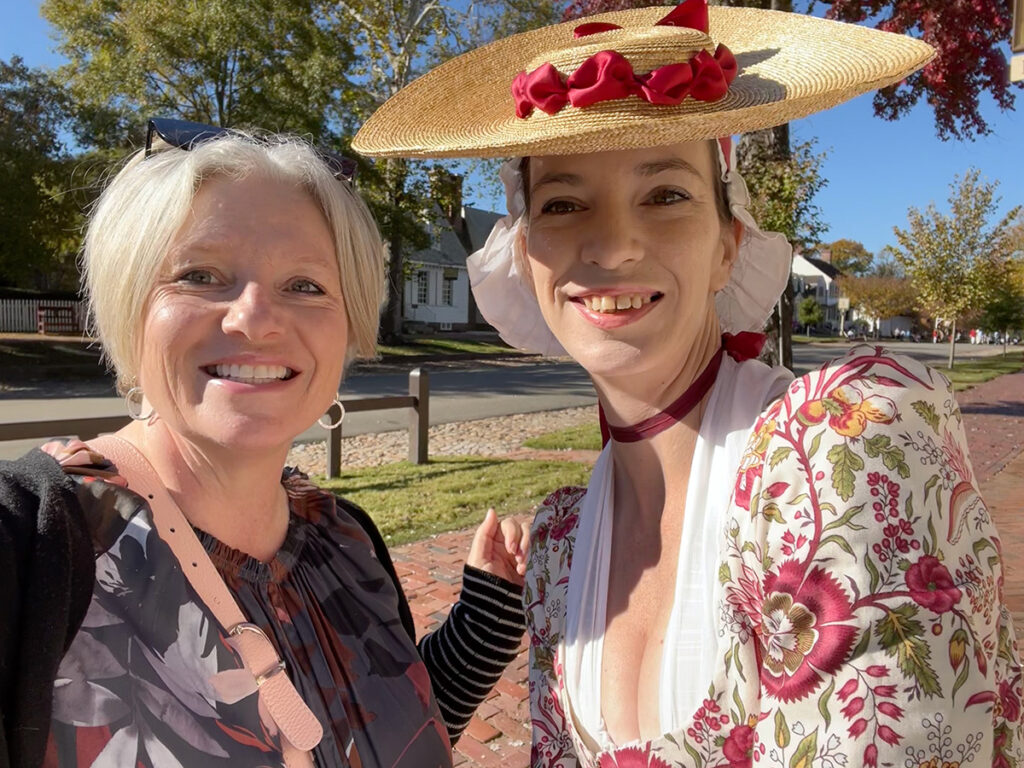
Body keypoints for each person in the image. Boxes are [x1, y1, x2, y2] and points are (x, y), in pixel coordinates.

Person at [352, 2, 1024, 766]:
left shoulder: (846, 447)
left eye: (665, 194)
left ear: (729, 248)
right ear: (523, 253)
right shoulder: (559, 547)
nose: (611, 244)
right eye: (564, 203)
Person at [0, 120, 531, 768]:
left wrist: (485, 619)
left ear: (348, 328)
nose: (254, 316)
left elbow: (388, 737)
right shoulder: (34, 546)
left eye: (305, 285)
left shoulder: (346, 542)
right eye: (200, 274)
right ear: (129, 302)